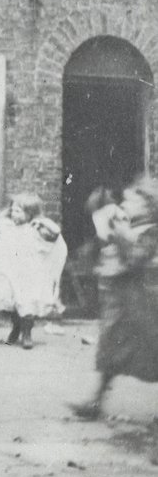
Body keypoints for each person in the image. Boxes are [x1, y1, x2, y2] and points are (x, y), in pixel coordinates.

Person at [73, 178, 158, 420]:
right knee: (110, 349)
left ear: (149, 206)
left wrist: (121, 236)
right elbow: (104, 246)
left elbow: (136, 259)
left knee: (152, 351)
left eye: (134, 201)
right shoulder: (125, 223)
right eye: (127, 200)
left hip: (146, 304)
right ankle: (95, 402)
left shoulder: (151, 231)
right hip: (123, 304)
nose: (127, 204)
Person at [0, 192, 68, 349]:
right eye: (12, 210)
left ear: (30, 213)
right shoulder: (6, 226)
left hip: (29, 273)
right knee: (11, 301)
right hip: (9, 271)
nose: (14, 214)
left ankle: (27, 332)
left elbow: (55, 232)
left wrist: (40, 220)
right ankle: (16, 327)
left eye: (18, 211)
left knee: (26, 302)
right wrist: (7, 212)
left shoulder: (35, 228)